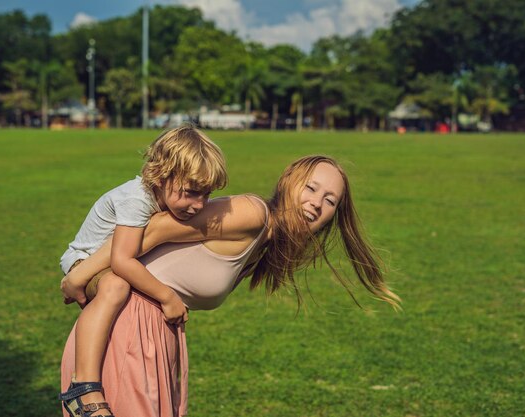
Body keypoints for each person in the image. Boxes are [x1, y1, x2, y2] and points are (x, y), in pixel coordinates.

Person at [60, 155, 400, 417]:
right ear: (288, 182)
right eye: (311, 188)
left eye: (330, 201)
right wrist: (79, 274)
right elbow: (155, 228)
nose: (316, 203)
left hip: (151, 334)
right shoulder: (252, 214)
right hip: (126, 329)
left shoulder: (264, 242)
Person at [58, 125, 227, 417]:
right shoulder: (137, 199)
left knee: (119, 284)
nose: (199, 205)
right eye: (191, 193)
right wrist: (167, 296)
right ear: (161, 176)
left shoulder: (164, 199)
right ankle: (83, 388)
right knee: (116, 286)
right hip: (83, 260)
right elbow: (122, 260)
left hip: (106, 260)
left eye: (207, 195)